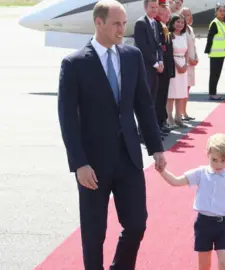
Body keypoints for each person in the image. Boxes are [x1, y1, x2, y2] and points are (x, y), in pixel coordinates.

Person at [57, 0, 167, 269]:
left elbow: (144, 103)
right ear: (99, 23)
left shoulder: (132, 57)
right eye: (117, 23)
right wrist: (79, 164)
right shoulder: (74, 64)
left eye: (124, 23)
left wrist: (156, 147)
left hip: (128, 158)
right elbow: (67, 119)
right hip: (92, 165)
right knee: (94, 234)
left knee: (137, 224)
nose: (122, 29)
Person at [158, 133, 225, 270]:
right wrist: (162, 171)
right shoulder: (200, 173)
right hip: (203, 224)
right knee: (204, 266)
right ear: (207, 154)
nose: (218, 164)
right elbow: (175, 181)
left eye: (223, 160)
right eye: (214, 160)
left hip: (224, 225)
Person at [133, 0, 167, 140]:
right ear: (145, 7)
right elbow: (142, 45)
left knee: (152, 101)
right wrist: (154, 62)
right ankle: (142, 133)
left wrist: (160, 61)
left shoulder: (155, 23)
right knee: (144, 101)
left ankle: (150, 131)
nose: (154, 10)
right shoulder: (140, 23)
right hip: (145, 67)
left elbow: (158, 45)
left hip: (154, 68)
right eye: (151, 7)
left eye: (156, 7)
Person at [155, 0, 175, 135]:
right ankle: (158, 123)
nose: (169, 14)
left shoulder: (164, 26)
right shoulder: (156, 26)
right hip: (159, 69)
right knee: (158, 98)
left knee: (163, 97)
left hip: (166, 68)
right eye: (166, 12)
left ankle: (162, 122)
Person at [165, 13, 188, 128]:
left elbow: (187, 52)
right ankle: (169, 118)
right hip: (173, 66)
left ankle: (178, 117)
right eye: (178, 22)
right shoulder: (169, 36)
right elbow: (168, 53)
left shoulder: (183, 36)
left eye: (182, 22)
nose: (180, 24)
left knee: (181, 94)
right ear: (173, 23)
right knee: (171, 94)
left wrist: (186, 64)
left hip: (183, 65)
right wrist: (178, 66)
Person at [204, 3, 225, 101]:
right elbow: (210, 38)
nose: (222, 13)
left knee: (217, 74)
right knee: (214, 74)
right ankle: (212, 93)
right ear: (216, 12)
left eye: (224, 11)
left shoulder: (222, 23)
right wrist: (208, 50)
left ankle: (213, 93)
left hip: (221, 53)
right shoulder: (215, 23)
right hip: (215, 53)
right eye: (220, 11)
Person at [180, 6, 197, 121]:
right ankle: (181, 113)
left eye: (188, 14)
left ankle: (184, 112)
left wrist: (196, 57)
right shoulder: (181, 30)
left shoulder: (190, 29)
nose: (187, 17)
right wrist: (189, 59)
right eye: (185, 15)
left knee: (188, 88)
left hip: (192, 62)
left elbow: (193, 45)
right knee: (183, 89)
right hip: (185, 62)